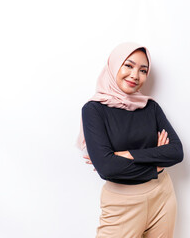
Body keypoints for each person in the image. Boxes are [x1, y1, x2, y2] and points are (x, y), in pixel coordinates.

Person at [76, 42, 183, 238]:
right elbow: (107, 168)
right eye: (128, 65)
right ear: (115, 65)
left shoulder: (151, 107)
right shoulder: (94, 110)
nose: (135, 75)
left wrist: (126, 155)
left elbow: (176, 152)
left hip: (162, 196)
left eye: (143, 70)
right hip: (122, 203)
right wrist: (156, 166)